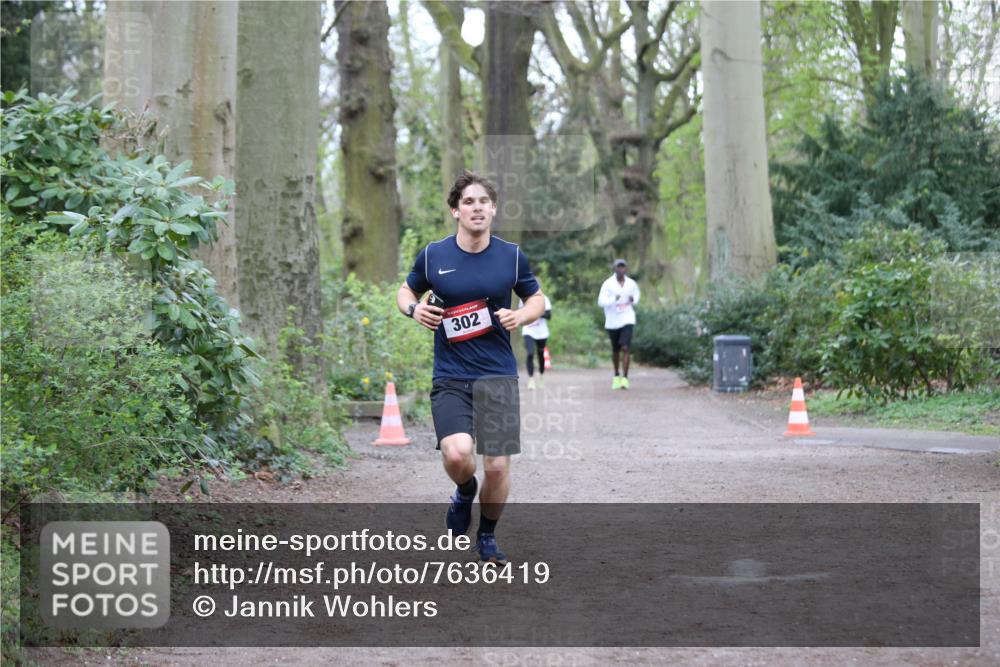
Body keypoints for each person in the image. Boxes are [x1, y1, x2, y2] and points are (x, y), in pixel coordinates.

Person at [396, 170, 545, 564]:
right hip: (451, 375)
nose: (476, 208)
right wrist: (414, 309)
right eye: (468, 202)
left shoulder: (511, 256)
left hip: (497, 374)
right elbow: (405, 289)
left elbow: (537, 298)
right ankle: (464, 491)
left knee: (497, 467)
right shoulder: (434, 254)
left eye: (483, 201)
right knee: (460, 455)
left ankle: (488, 536)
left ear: (493, 209)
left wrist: (522, 317)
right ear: (455, 211)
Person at [597, 258, 640, 390]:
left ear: (626, 269)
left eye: (623, 267)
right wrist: (613, 299)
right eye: (618, 267)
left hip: (627, 318)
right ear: (614, 269)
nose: (621, 269)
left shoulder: (631, 283)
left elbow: (637, 296)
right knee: (616, 349)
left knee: (625, 347)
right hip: (612, 321)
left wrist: (633, 299)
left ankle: (625, 378)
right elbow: (601, 302)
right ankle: (616, 375)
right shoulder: (607, 284)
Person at [520, 294, 552, 389]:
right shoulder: (523, 299)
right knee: (530, 353)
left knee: (540, 354)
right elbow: (521, 314)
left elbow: (549, 315)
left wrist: (537, 312)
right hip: (528, 330)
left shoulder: (544, 298)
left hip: (541, 332)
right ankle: (531, 379)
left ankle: (541, 375)